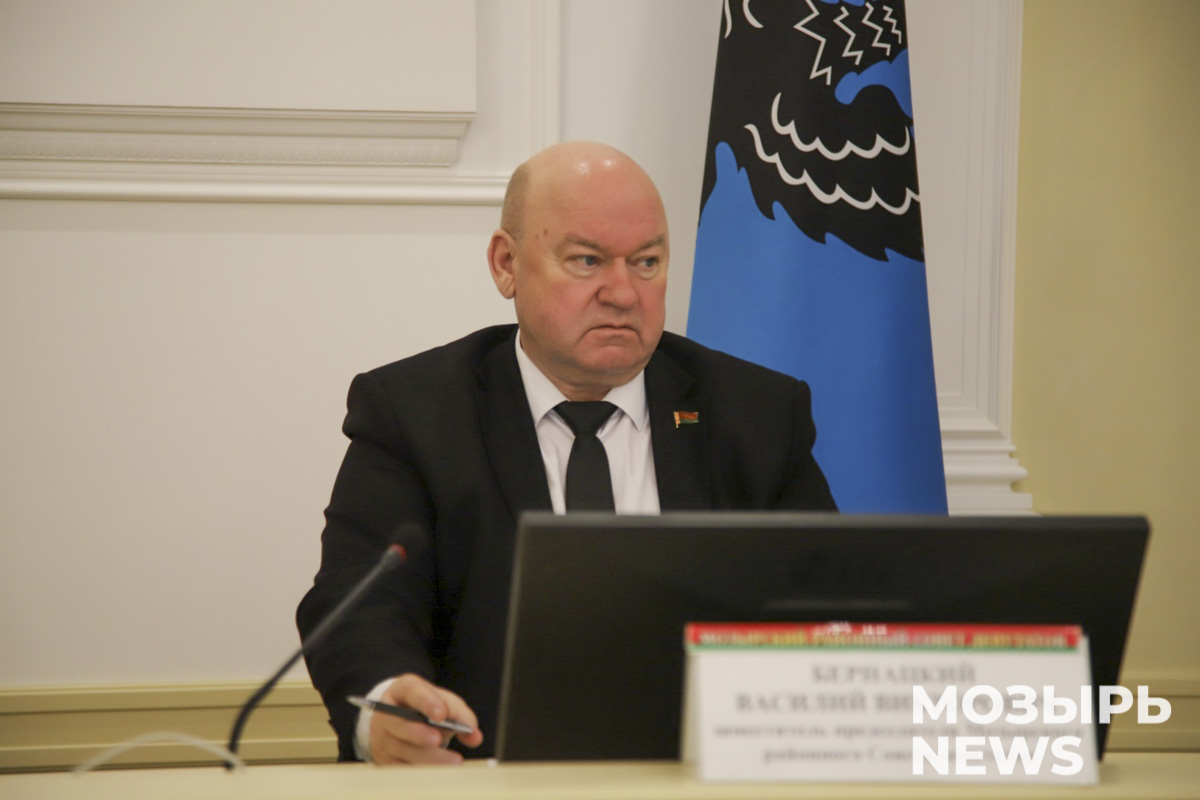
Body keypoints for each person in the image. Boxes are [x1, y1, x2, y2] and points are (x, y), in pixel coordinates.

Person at [297, 141, 837, 765]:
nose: (623, 293)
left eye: (647, 261)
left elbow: (826, 609)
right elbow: (359, 601)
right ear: (506, 264)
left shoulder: (757, 414)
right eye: (587, 260)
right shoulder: (414, 413)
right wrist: (387, 705)